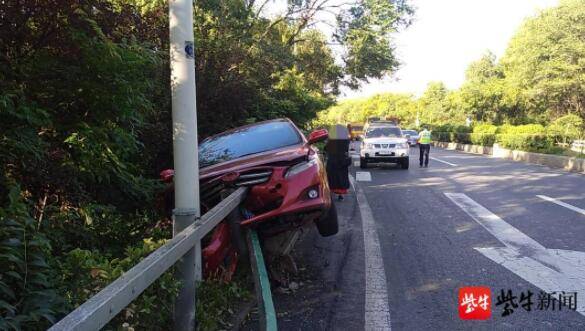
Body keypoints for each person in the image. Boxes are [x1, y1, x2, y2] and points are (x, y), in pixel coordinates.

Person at [325, 124, 351, 200]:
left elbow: (326, 149)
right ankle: (340, 195)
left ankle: (330, 193)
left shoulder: (331, 141)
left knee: (332, 178)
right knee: (341, 178)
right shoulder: (345, 140)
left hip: (332, 162)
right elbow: (346, 149)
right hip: (341, 161)